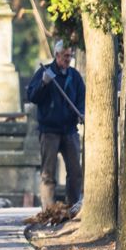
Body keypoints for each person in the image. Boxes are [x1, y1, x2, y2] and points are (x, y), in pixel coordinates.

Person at [27, 40, 85, 208]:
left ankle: (73, 206)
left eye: (70, 56)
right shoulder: (44, 72)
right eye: (66, 56)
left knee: (75, 172)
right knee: (48, 173)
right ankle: (49, 210)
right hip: (49, 131)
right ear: (57, 55)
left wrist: (81, 112)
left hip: (69, 130)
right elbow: (32, 96)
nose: (69, 59)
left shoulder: (74, 76)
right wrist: (43, 84)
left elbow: (81, 98)